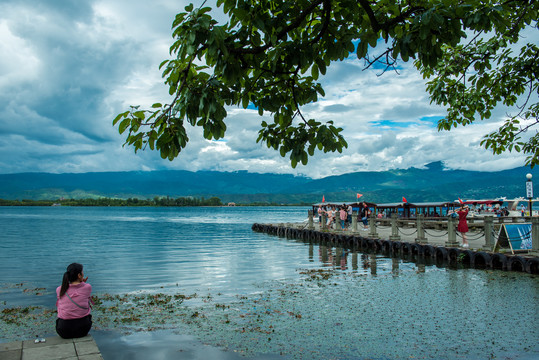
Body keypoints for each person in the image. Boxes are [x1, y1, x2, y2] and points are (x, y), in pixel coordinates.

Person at [56, 263, 94, 339]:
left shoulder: (60, 289)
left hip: (64, 331)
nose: (83, 273)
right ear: (79, 275)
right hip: (83, 330)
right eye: (82, 272)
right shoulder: (87, 287)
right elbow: (83, 294)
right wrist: (82, 283)